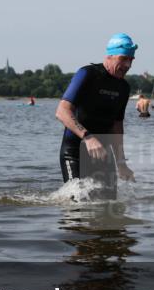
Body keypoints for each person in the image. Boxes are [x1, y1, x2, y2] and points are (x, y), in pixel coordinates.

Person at [55, 33, 137, 199]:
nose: (127, 64)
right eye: (123, 59)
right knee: (77, 204)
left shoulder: (123, 87)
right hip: (75, 151)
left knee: (110, 206)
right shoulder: (87, 74)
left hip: (103, 153)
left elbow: (117, 126)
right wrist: (88, 137)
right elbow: (62, 111)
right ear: (109, 55)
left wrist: (121, 163)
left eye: (131, 60)